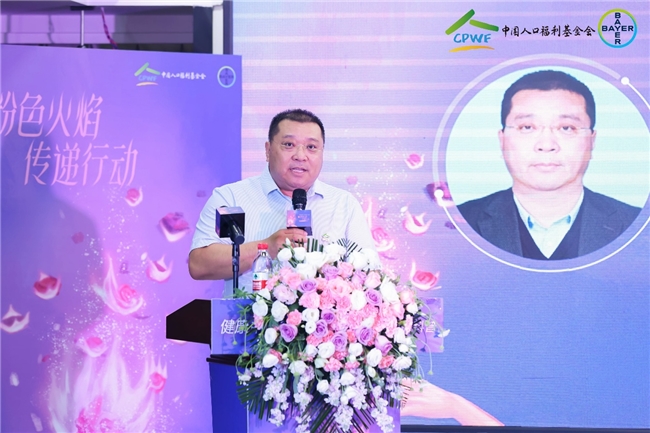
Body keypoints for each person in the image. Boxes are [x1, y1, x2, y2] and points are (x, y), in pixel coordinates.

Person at [458, 70, 641, 260]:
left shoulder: (637, 226)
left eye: (566, 128)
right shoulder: (457, 224)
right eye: (527, 127)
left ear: (591, 141)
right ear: (502, 140)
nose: (546, 145)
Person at [189, 109, 375, 295]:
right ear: (268, 150)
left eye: (311, 147)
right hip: (245, 314)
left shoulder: (343, 204)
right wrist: (265, 248)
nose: (300, 156)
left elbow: (372, 275)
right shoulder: (233, 198)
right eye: (289, 144)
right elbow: (199, 265)